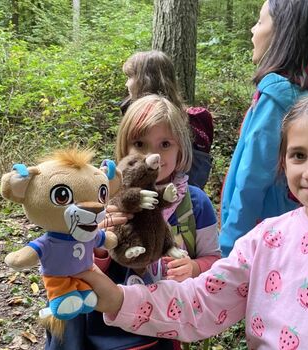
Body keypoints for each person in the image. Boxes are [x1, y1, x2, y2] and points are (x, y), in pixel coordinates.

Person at [78, 92, 308, 349]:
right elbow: (199, 304)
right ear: (284, 164)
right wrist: (117, 299)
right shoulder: (267, 239)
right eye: (298, 155)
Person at [45, 95, 220, 349]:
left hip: (167, 323)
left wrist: (194, 268)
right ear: (124, 147)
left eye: (165, 144)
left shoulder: (196, 204)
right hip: (110, 330)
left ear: (181, 148)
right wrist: (100, 245)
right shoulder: (103, 197)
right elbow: (76, 265)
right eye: (140, 143)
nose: (153, 155)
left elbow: (214, 260)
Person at [219, 0, 308, 257]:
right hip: (303, 239)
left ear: (283, 33)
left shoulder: (276, 98)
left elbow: (251, 179)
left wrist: (230, 247)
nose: (252, 29)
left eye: (260, 21)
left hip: (259, 242)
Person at [121, 50, 214, 190]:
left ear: (144, 80)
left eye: (130, 77)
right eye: (139, 144)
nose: (127, 84)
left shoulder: (168, 123)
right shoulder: (190, 121)